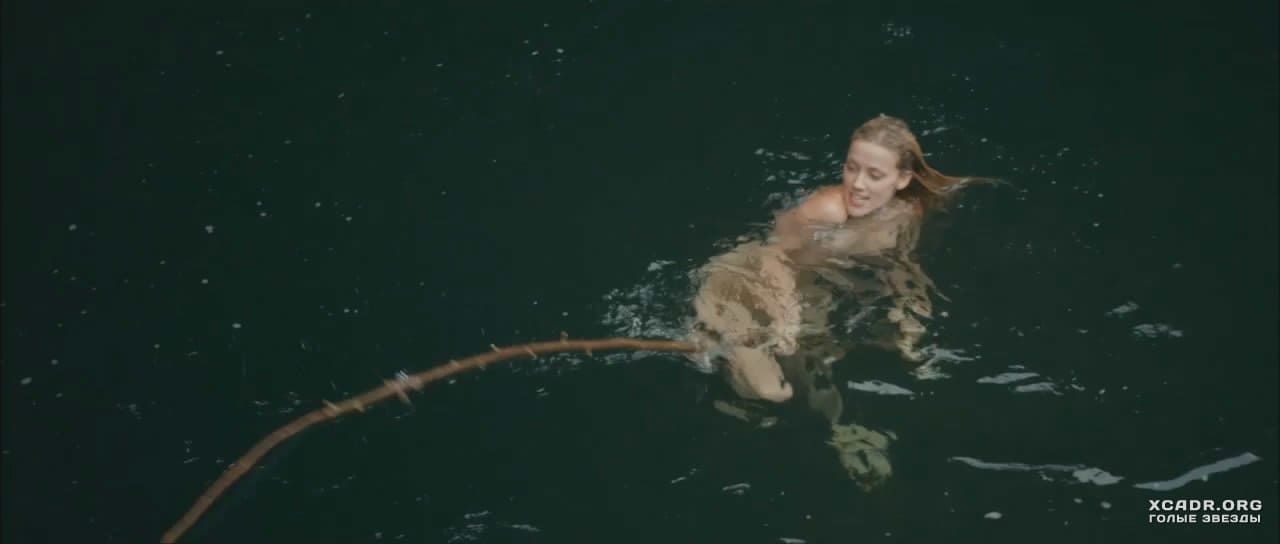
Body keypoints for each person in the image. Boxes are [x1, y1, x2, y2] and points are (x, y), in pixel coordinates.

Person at [687, 114, 984, 488]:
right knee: (771, 391)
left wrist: (910, 313)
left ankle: (841, 430)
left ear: (902, 179)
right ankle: (731, 381)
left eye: (874, 175)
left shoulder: (906, 213)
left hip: (810, 291)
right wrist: (785, 318)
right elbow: (772, 259)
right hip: (747, 282)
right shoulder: (826, 210)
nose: (857, 184)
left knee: (819, 361)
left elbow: (901, 265)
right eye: (851, 168)